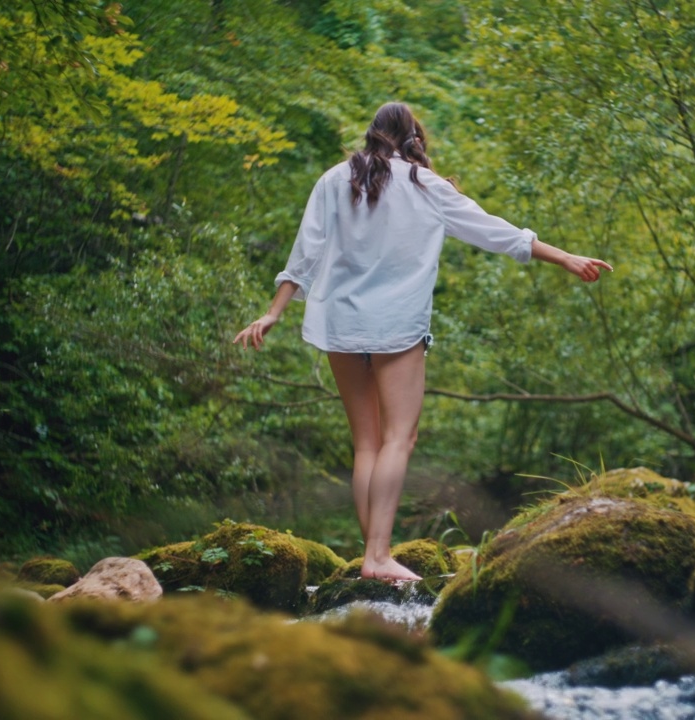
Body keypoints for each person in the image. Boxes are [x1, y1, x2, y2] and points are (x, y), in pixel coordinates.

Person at [233, 102, 611, 581]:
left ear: (372, 134)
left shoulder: (333, 179)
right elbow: (495, 232)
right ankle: (377, 556)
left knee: (366, 444)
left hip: (342, 323)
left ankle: (372, 555)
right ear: (414, 138)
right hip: (396, 324)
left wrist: (274, 312)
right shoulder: (423, 184)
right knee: (399, 438)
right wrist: (565, 258)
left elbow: (305, 250)